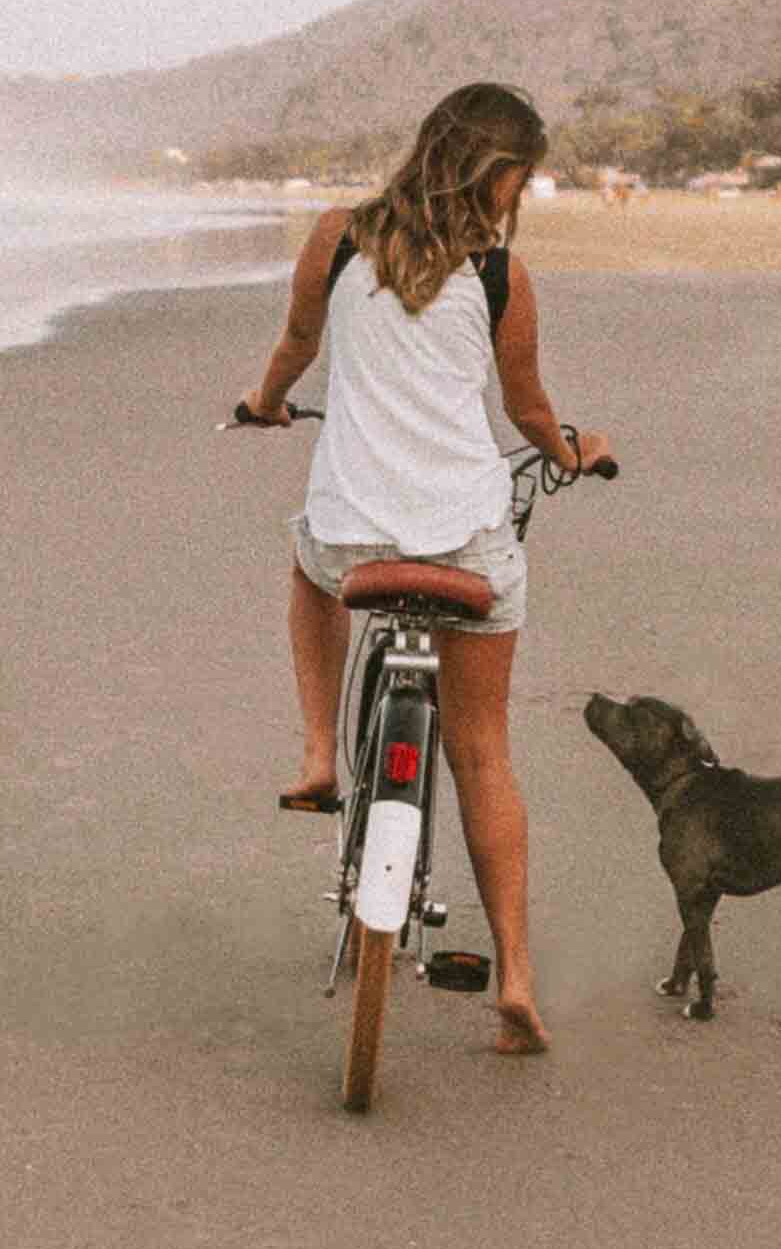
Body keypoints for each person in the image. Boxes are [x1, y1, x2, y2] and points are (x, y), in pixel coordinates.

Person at [235, 81, 611, 1056]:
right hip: (465, 538)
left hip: (354, 530)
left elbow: (293, 349)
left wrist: (264, 401)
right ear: (502, 175)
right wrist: (571, 451)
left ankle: (321, 750)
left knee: (307, 564)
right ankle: (517, 974)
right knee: (481, 749)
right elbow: (528, 410)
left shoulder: (338, 237)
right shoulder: (500, 275)